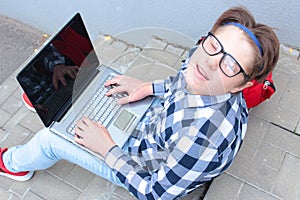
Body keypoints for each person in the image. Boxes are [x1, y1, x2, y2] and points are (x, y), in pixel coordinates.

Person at [0, 6, 279, 199]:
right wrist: (146, 87)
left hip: (141, 164)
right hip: (153, 125)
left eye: (229, 64)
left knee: (50, 139)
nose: (209, 62)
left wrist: (106, 148)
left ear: (243, 85)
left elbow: (154, 192)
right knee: (98, 92)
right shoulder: (203, 62)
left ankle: (14, 163)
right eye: (215, 45)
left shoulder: (203, 137)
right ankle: (57, 102)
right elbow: (181, 83)